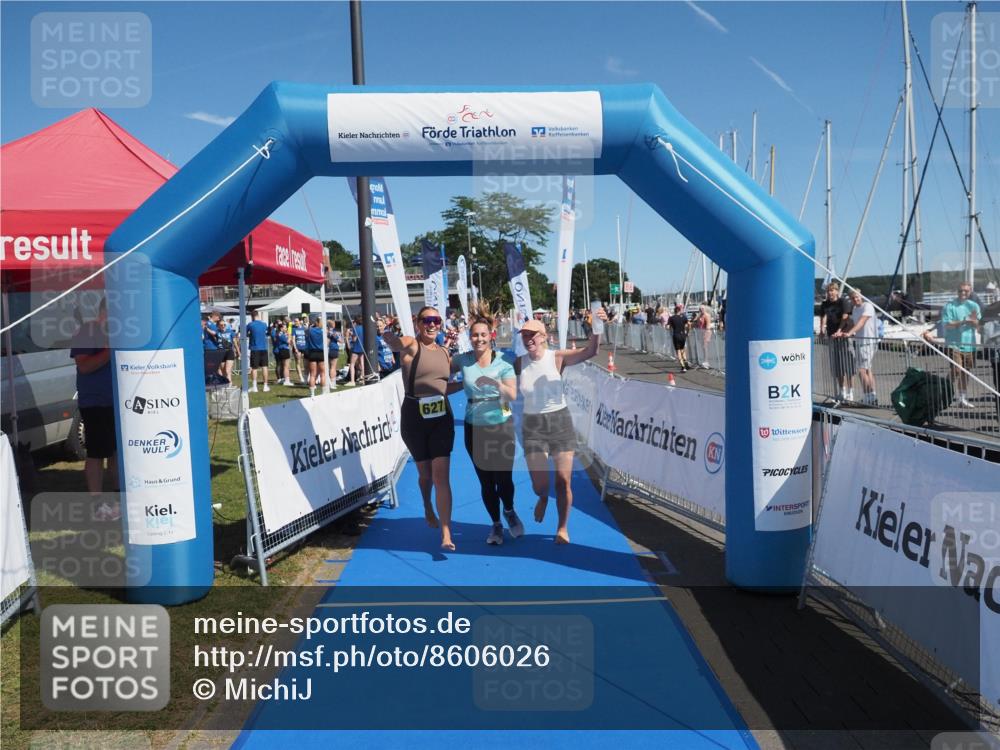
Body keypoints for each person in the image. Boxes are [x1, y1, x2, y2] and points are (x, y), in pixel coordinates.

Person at [516, 310, 607, 545]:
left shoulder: (556, 357)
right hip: (532, 425)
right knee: (539, 486)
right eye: (524, 335)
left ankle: (562, 528)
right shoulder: (519, 363)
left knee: (563, 481)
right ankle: (543, 498)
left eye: (532, 335)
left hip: (559, 421)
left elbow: (591, 351)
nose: (528, 339)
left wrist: (597, 326)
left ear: (543, 336)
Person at [448, 309, 524, 545]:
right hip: (474, 426)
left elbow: (512, 394)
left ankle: (509, 510)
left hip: (502, 422)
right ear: (469, 337)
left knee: (504, 479)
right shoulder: (462, 360)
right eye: (474, 335)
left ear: (491, 335)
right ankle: (496, 524)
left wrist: (493, 383)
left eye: (483, 334)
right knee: (486, 481)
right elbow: (438, 369)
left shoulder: (504, 360)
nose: (479, 339)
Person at [383, 308, 456, 549]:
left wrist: (469, 385)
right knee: (426, 476)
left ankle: (446, 533)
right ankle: (427, 505)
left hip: (441, 418)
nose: (432, 325)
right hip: (414, 418)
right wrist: (389, 336)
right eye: (427, 320)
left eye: (436, 320)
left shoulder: (444, 352)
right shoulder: (412, 346)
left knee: (441, 476)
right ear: (418, 324)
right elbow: (398, 343)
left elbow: (443, 386)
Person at [70, 298, 119, 521]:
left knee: (116, 453)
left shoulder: (118, 332)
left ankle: (119, 500)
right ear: (106, 311)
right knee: (97, 453)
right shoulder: (87, 332)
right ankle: (98, 505)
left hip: (117, 402)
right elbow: (84, 366)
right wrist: (110, 350)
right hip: (95, 403)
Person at [834, 289, 878, 405]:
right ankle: (872, 396)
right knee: (867, 370)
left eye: (857, 297)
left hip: (868, 341)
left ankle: (868, 397)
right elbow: (853, 324)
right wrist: (842, 332)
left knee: (861, 370)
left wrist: (850, 333)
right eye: (853, 298)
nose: (855, 299)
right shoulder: (855, 309)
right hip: (860, 342)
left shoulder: (867, 306)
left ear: (861, 296)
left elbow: (862, 322)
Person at [942, 282, 981, 409]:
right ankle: (943, 391)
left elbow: (979, 326)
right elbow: (947, 324)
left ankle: (962, 399)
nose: (963, 293)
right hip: (954, 343)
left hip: (970, 343)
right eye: (960, 290)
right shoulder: (949, 306)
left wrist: (974, 322)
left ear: (970, 292)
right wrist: (963, 321)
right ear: (957, 291)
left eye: (966, 291)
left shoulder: (974, 305)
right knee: (957, 369)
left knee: (966, 371)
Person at [819, 281, 856, 402]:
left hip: (844, 335)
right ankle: (842, 391)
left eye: (832, 290)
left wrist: (839, 330)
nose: (830, 293)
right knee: (837, 366)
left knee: (848, 364)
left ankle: (851, 392)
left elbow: (845, 317)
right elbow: (823, 316)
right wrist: (821, 330)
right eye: (828, 291)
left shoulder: (843, 301)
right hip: (832, 336)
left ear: (836, 291)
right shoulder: (825, 304)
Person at [245, 310, 270, 393]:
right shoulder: (264, 324)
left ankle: (254, 387)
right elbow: (266, 333)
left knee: (254, 368)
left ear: (252, 317)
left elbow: (244, 333)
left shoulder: (250, 324)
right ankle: (265, 386)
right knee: (264, 367)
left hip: (255, 348)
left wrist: (250, 334)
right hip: (263, 348)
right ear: (258, 315)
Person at [304, 315, 326, 397]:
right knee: (322, 373)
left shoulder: (310, 330)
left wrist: (310, 325)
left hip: (312, 353)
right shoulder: (323, 331)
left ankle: (312, 394)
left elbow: (306, 332)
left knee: (312, 374)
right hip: (321, 352)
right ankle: (323, 392)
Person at [667, 304, 690, 372]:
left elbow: (667, 327)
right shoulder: (684, 317)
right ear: (679, 310)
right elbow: (689, 324)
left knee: (678, 351)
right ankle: (685, 361)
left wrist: (668, 327)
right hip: (683, 335)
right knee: (682, 349)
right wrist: (688, 332)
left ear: (675, 310)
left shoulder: (671, 318)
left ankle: (683, 367)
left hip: (676, 335)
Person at [271, 319, 292, 386]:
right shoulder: (280, 334)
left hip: (283, 349)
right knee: (286, 366)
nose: (286, 329)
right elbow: (288, 341)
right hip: (283, 350)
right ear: (281, 328)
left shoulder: (281, 333)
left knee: (285, 366)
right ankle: (285, 380)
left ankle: (284, 379)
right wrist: (289, 336)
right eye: (285, 327)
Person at [217, 318, 238, 383]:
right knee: (223, 371)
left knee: (227, 370)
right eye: (221, 325)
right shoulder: (217, 332)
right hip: (221, 352)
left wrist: (238, 352)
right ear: (218, 326)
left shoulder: (230, 331)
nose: (223, 326)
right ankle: (227, 384)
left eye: (224, 325)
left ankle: (229, 384)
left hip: (229, 351)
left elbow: (235, 342)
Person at [348, 315, 366, 385]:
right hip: (362, 348)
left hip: (356, 348)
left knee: (352, 364)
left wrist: (351, 335)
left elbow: (354, 339)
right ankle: (363, 380)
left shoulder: (356, 328)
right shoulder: (364, 328)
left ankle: (352, 381)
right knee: (362, 364)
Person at [291, 316, 308, 384]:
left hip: (304, 347)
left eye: (296, 321)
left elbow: (306, 337)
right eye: (295, 321)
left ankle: (305, 376)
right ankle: (301, 377)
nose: (295, 322)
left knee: (305, 363)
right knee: (298, 362)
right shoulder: (294, 329)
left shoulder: (304, 328)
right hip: (297, 348)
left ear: (300, 321)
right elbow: (293, 339)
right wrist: (295, 349)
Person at [327, 319, 342, 383]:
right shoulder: (334, 332)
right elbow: (341, 341)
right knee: (333, 367)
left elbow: (327, 342)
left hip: (330, 349)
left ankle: (332, 381)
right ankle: (332, 382)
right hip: (334, 349)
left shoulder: (329, 331)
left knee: (331, 367)